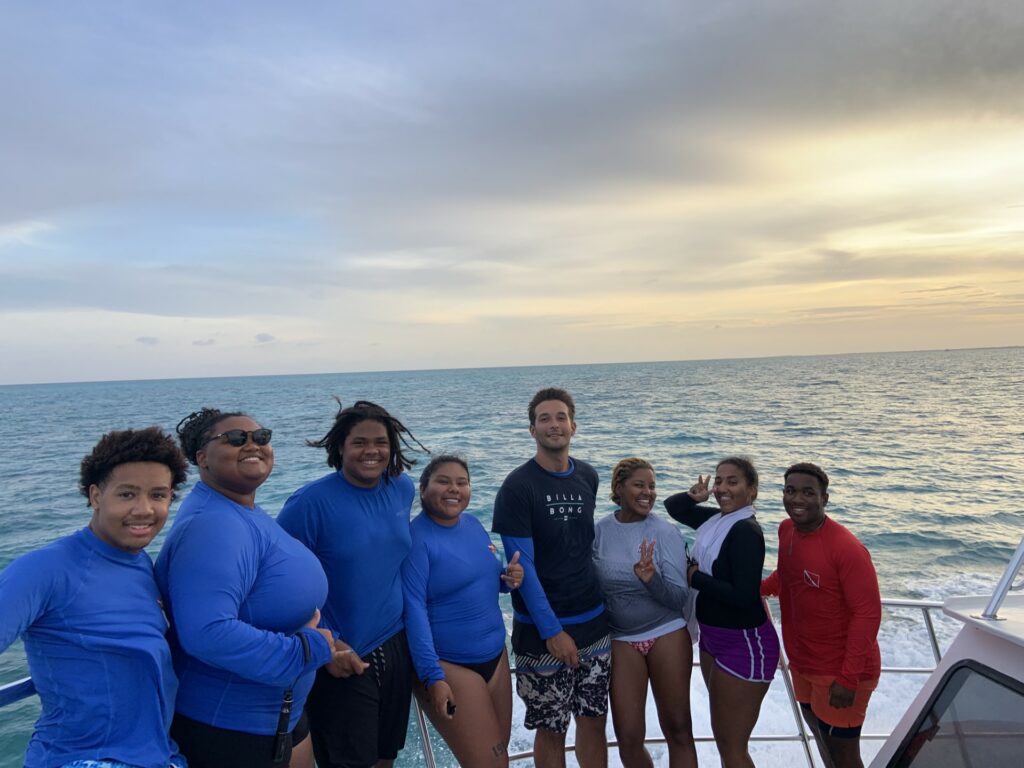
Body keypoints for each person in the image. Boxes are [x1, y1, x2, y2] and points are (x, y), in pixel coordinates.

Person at [155, 408, 336, 768]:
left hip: (277, 721)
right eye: (236, 438)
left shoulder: (242, 510)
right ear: (201, 458)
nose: (252, 444)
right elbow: (207, 632)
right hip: (229, 733)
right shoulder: (212, 525)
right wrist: (306, 650)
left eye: (261, 437)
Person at [0, 427, 188, 768]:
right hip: (82, 759)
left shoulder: (140, 563)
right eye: (127, 494)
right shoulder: (44, 568)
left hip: (158, 755)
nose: (145, 509)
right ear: (96, 495)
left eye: (158, 495)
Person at [278, 400, 427, 768]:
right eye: (359, 442)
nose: (371, 451)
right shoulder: (309, 504)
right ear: (340, 447)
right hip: (342, 652)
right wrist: (327, 641)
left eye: (380, 442)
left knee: (384, 757)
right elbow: (278, 583)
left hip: (395, 644)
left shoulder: (401, 488)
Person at [491, 387, 611, 768]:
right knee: (552, 730)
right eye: (544, 418)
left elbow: (581, 547)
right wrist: (552, 631)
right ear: (532, 430)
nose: (553, 425)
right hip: (541, 634)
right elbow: (522, 568)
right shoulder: (517, 487)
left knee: (593, 724)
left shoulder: (588, 476)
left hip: (594, 625)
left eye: (560, 417)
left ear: (573, 425)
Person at [401, 455, 525, 767]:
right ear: (424, 487)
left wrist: (508, 581)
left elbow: (483, 580)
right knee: (491, 764)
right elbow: (413, 611)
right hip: (451, 666)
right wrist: (433, 676)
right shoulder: (416, 540)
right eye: (443, 481)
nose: (453, 489)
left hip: (495, 656)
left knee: (500, 753)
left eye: (461, 482)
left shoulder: (471, 524)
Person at [761, 463, 881, 768]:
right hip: (802, 663)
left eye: (807, 492)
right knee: (822, 740)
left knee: (845, 757)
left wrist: (848, 678)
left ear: (824, 498)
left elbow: (867, 615)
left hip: (841, 671)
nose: (797, 499)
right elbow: (786, 575)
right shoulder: (786, 529)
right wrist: (755, 590)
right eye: (790, 491)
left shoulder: (846, 548)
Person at [664, 456, 780, 768]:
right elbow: (673, 507)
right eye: (719, 481)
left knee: (733, 748)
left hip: (744, 644)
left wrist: (694, 577)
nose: (722, 488)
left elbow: (743, 596)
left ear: (751, 490)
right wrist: (694, 496)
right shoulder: (717, 521)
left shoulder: (745, 532)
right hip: (713, 639)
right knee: (724, 740)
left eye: (732, 481)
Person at [593, 458, 698, 768]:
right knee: (627, 737)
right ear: (618, 489)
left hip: (666, 631)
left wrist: (651, 579)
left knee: (678, 728)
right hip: (622, 639)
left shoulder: (665, 532)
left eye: (652, 486)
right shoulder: (599, 532)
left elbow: (678, 597)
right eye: (639, 485)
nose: (648, 493)